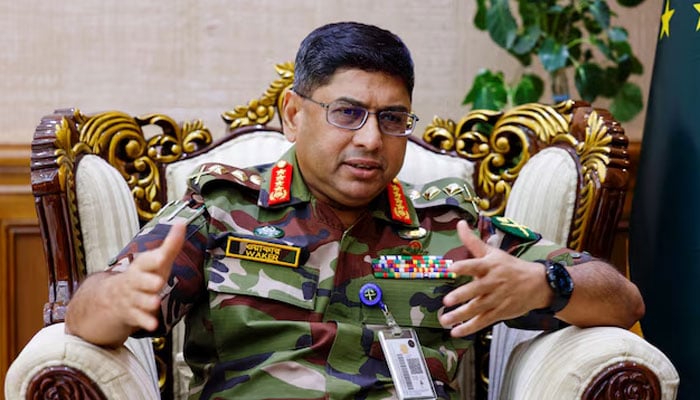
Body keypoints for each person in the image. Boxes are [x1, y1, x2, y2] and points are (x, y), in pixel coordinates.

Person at [65, 21, 644, 399]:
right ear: (293, 114)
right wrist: (115, 298)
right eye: (347, 112)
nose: (371, 138)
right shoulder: (221, 212)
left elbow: (622, 298)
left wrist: (546, 283)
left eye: (392, 118)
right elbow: (87, 319)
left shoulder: (448, 226)